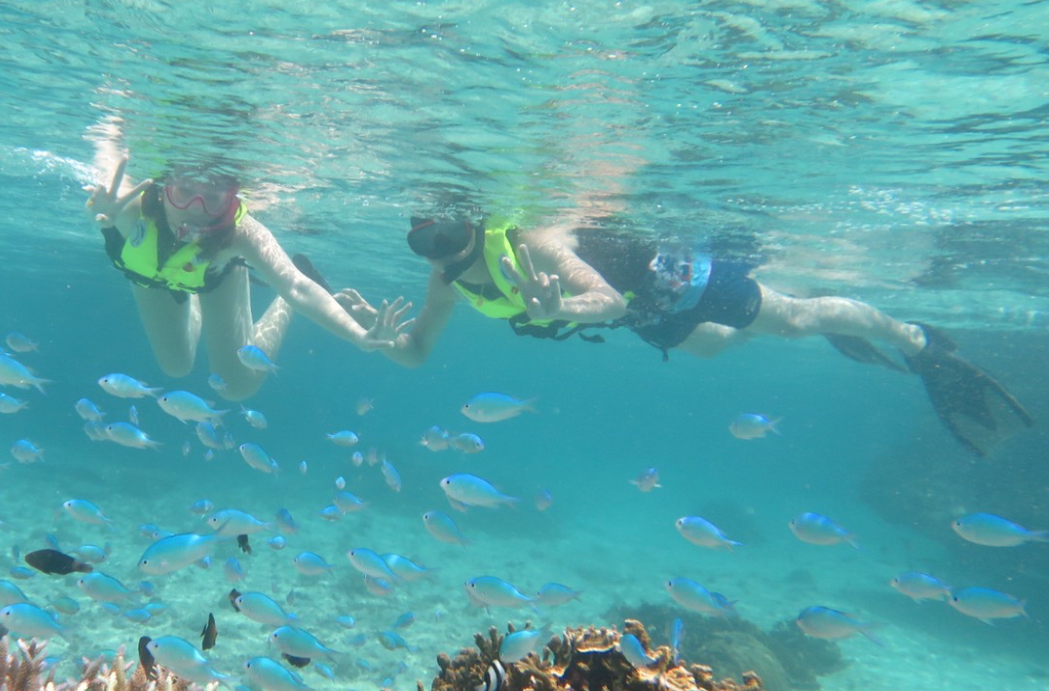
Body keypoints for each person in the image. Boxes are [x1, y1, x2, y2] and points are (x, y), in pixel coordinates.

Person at [338, 215, 1032, 456]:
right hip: (652, 322)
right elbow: (418, 352)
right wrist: (375, 340)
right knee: (719, 347)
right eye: (419, 241)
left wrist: (558, 312)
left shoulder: (533, 239)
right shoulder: (445, 280)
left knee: (793, 318)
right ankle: (832, 333)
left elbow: (604, 301)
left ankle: (921, 342)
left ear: (473, 222)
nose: (438, 252)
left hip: (675, 283)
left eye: (447, 233)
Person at [84, 123, 401, 401]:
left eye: (213, 197)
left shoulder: (241, 234)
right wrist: (106, 214)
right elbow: (105, 177)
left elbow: (297, 287)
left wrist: (358, 336)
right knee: (175, 366)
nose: (195, 208)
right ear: (165, 186)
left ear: (232, 199)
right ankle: (186, 285)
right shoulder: (127, 206)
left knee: (237, 385)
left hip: (215, 277)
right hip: (152, 278)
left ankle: (276, 305)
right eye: (184, 192)